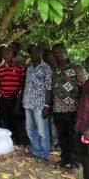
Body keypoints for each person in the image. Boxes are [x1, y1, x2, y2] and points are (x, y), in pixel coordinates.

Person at [51, 44, 86, 172]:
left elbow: (84, 88)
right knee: (62, 136)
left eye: (60, 51)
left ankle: (75, 163)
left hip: (73, 108)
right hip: (58, 109)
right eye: (55, 52)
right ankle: (65, 159)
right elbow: (52, 89)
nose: (58, 54)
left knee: (74, 137)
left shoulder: (76, 67)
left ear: (65, 51)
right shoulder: (55, 69)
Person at [22, 46, 52, 161]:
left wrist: (47, 106)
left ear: (41, 52)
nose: (34, 54)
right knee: (30, 129)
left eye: (37, 52)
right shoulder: (29, 67)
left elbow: (49, 88)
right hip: (28, 103)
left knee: (42, 131)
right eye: (33, 52)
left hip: (40, 104)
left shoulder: (46, 68)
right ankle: (36, 151)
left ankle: (44, 154)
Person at [0, 46, 27, 148]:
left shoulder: (19, 67)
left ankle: (20, 141)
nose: (6, 55)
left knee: (17, 120)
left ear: (13, 54)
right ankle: (9, 141)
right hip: (4, 98)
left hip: (15, 99)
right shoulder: (1, 68)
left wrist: (19, 97)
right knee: (6, 120)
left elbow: (23, 83)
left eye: (8, 53)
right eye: (4, 53)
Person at [74, 56, 89, 179]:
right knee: (83, 155)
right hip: (82, 126)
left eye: (87, 64)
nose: (85, 66)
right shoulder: (88, 82)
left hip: (87, 128)